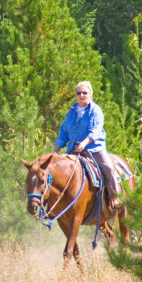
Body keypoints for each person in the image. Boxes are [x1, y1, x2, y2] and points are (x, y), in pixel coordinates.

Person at [52, 80, 122, 209]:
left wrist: (84, 144)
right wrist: (55, 151)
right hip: (73, 149)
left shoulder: (95, 111)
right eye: (79, 93)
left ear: (90, 94)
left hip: (94, 149)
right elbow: (64, 132)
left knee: (107, 167)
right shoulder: (71, 112)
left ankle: (115, 196)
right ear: (75, 95)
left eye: (85, 92)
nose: (82, 95)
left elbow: (95, 131)